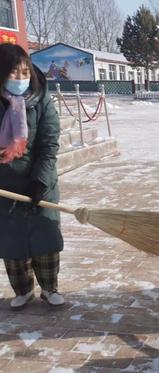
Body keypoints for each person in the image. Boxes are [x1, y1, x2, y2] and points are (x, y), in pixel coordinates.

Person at [0, 44, 64, 310]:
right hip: (5, 187)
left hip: (40, 183)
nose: (21, 79)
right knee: (12, 244)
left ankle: (49, 288)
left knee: (45, 240)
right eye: (14, 74)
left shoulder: (41, 100)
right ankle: (23, 290)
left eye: (25, 73)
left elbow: (49, 145)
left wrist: (40, 181)